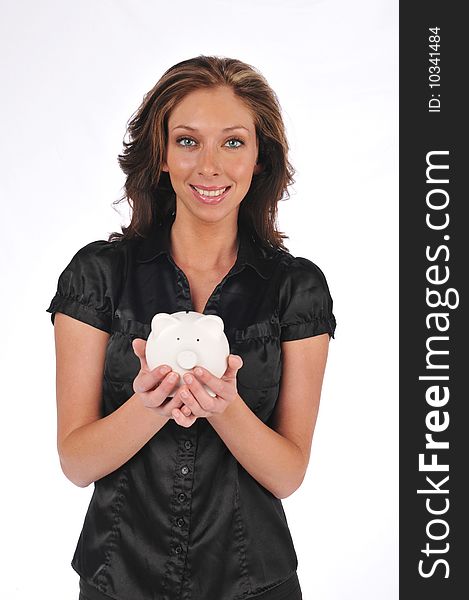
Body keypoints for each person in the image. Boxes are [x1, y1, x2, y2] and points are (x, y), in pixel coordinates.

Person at [46, 55, 336, 600]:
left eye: (232, 142)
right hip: (119, 577)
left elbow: (288, 473)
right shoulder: (98, 277)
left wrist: (225, 409)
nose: (210, 166)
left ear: (259, 157)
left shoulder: (296, 289)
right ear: (159, 154)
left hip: (254, 582)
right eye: (186, 140)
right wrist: (148, 406)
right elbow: (76, 461)